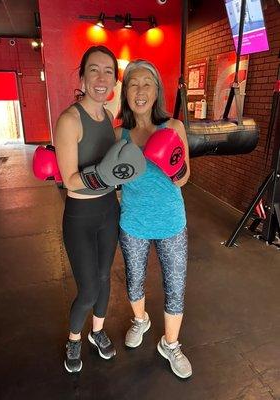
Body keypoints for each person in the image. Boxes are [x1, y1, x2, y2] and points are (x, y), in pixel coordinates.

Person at [54, 46, 145, 373]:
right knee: (89, 287)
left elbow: (115, 168)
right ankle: (74, 339)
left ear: (114, 80)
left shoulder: (108, 117)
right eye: (94, 70)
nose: (102, 78)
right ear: (82, 76)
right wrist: (106, 174)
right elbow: (69, 180)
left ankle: (97, 331)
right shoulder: (69, 120)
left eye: (109, 71)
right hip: (80, 217)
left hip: (109, 211)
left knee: (105, 279)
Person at [115, 59, 192, 379]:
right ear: (126, 92)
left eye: (147, 83)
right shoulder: (118, 133)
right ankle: (141, 320)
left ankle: (170, 344)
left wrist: (172, 165)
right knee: (133, 280)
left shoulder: (173, 127)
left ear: (157, 90)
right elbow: (113, 176)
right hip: (133, 222)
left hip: (171, 220)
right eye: (134, 83)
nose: (141, 89)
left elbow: (186, 177)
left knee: (175, 285)